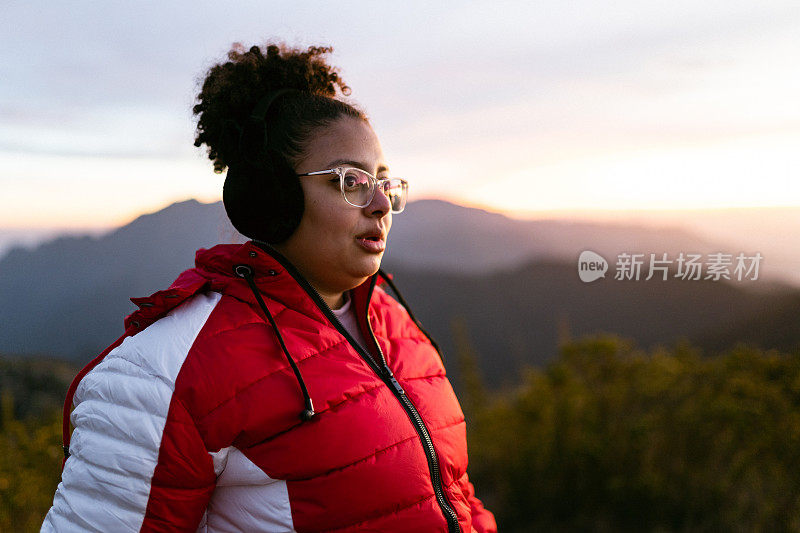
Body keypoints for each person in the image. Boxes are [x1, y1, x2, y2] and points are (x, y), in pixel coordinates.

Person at [42, 43, 497, 532]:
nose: (382, 204)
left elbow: (456, 494)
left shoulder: (394, 321)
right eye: (351, 181)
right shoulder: (166, 370)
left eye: (385, 182)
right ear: (270, 197)